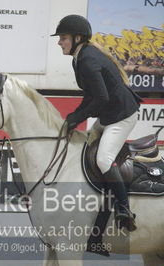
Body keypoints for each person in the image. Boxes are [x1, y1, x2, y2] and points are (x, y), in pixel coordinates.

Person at [51, 15, 143, 231]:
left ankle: (123, 208)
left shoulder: (88, 60)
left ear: (77, 38)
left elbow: (101, 98)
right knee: (84, 148)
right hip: (109, 115)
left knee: (103, 159)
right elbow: (91, 95)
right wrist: (74, 116)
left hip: (122, 116)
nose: (59, 42)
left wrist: (77, 117)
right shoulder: (80, 57)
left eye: (63, 38)